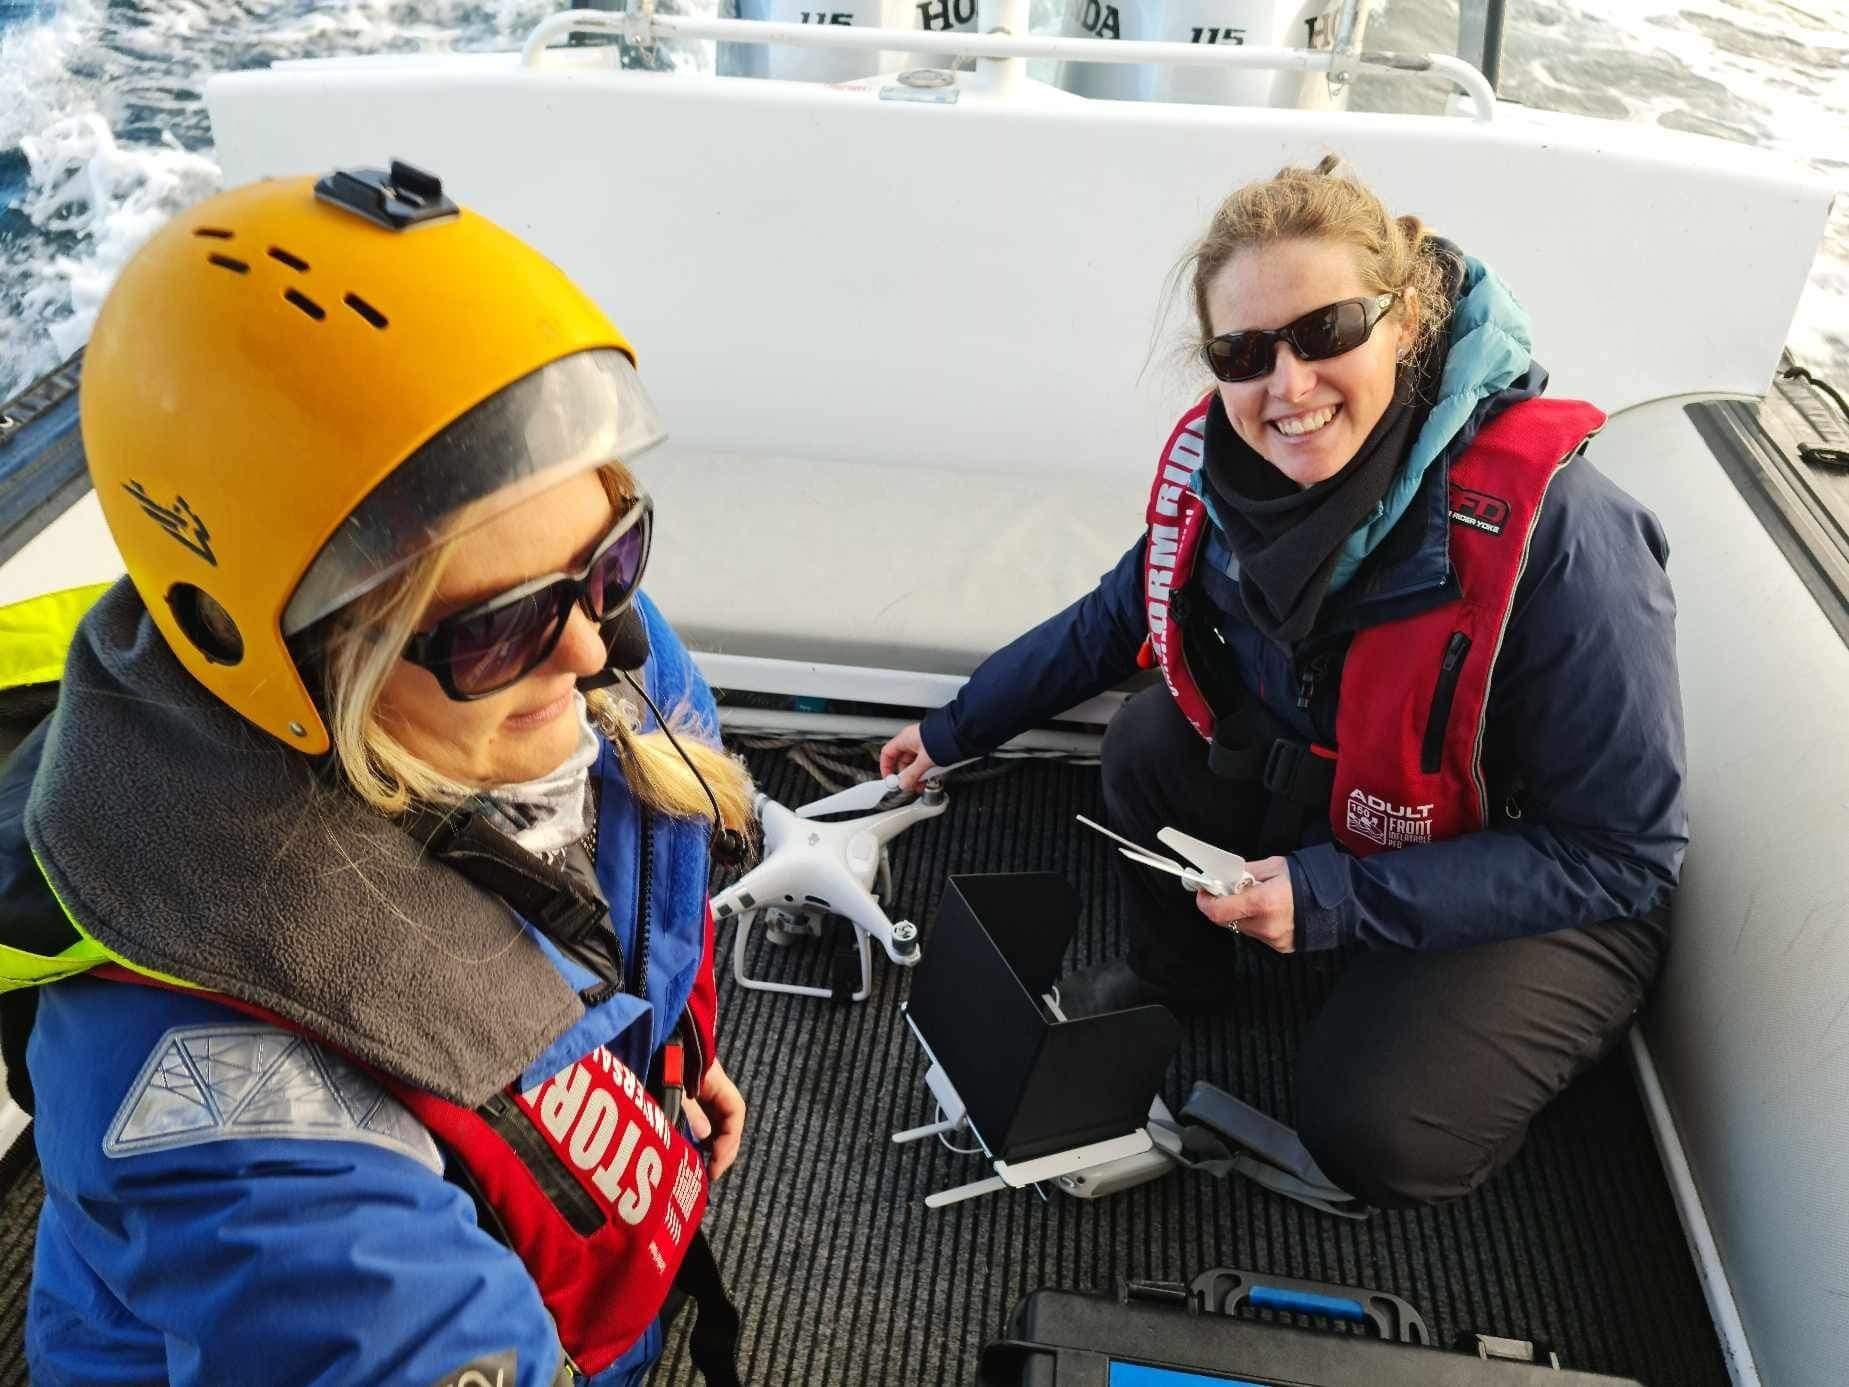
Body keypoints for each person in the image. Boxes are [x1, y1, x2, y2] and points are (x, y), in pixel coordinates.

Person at [0, 164, 755, 1385]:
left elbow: (623, 899)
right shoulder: (221, 1111)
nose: (589, 648)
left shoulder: (561, 652)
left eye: (614, 559)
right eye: (498, 624)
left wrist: (662, 1061)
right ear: (294, 664)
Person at [880, 156, 1687, 1209]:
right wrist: (952, 729)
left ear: (1403, 320)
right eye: (1244, 351)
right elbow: (1119, 615)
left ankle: (1465, 1032)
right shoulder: (1228, 476)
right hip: (1361, 820)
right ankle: (1179, 978)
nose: (1289, 385)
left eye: (1326, 331)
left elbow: (1622, 855)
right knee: (1149, 741)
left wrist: (1338, 899)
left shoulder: (1566, 531)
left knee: (1377, 1132)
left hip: (1533, 879)